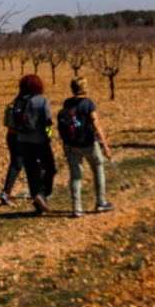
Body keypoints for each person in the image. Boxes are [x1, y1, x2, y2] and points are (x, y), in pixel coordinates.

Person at [58, 77, 113, 218]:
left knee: (75, 176)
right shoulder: (88, 104)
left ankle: (77, 208)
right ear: (84, 88)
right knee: (98, 170)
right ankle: (101, 202)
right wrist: (105, 145)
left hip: (71, 145)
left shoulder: (67, 103)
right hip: (88, 144)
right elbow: (96, 124)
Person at [12, 74, 56, 215]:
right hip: (40, 141)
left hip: (22, 141)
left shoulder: (18, 100)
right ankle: (42, 194)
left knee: (31, 171)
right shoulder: (42, 100)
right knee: (50, 168)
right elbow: (48, 120)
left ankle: (38, 207)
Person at [0, 98, 24, 205]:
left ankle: (6, 192)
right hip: (24, 137)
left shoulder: (14, 102)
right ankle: (39, 192)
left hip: (11, 135)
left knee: (15, 163)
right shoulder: (31, 102)